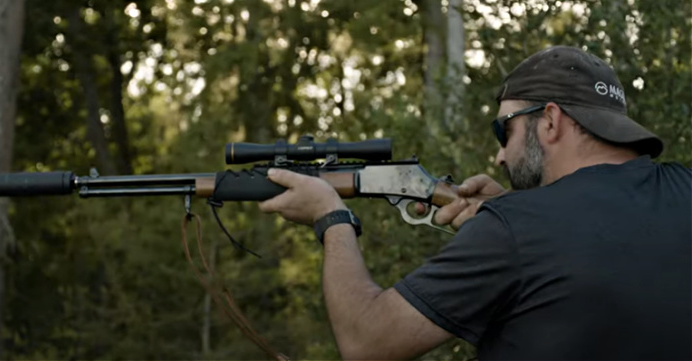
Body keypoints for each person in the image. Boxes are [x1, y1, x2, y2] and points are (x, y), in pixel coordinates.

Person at [258, 45, 692, 360]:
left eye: (504, 130)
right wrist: (508, 215)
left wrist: (330, 216)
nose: (500, 154)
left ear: (552, 120)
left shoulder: (515, 229)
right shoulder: (684, 188)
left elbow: (367, 341)